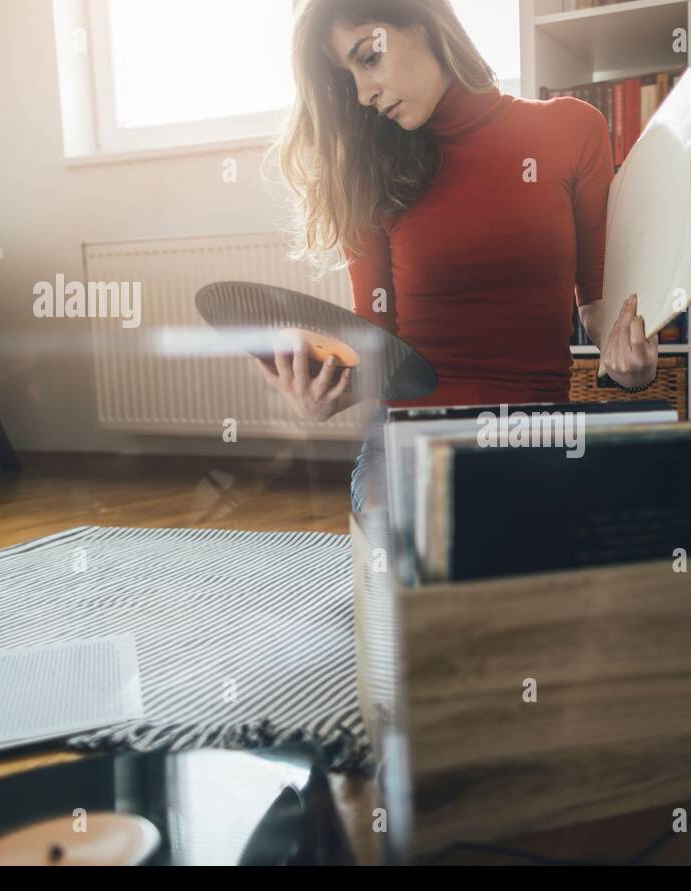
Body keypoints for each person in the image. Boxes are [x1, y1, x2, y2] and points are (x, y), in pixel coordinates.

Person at [260, 0, 657, 511]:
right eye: (347, 76)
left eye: (368, 58)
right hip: (412, 439)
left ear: (423, 21)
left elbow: (602, 306)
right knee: (432, 548)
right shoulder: (368, 171)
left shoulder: (571, 129)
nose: (362, 93)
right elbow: (376, 337)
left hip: (534, 433)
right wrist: (325, 397)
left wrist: (632, 370)